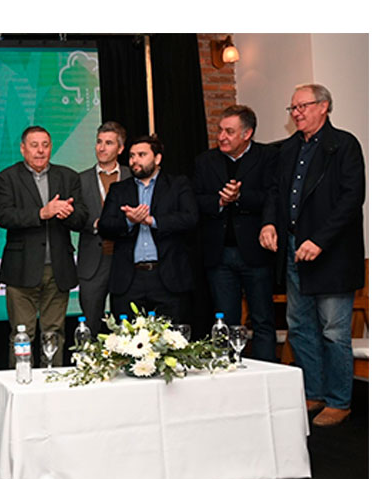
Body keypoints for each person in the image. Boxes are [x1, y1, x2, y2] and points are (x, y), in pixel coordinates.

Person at [259, 84, 366, 426]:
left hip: (331, 252)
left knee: (333, 330)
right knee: (300, 326)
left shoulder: (344, 145)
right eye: (292, 108)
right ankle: (314, 392)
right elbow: (274, 192)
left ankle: (339, 400)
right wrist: (269, 224)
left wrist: (319, 240)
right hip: (293, 250)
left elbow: (352, 199)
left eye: (302, 106)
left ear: (324, 106)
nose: (296, 113)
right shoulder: (288, 148)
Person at [0, 125, 87, 366]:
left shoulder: (68, 176)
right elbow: (4, 216)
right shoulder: (7, 178)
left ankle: (52, 380)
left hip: (58, 270)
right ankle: (21, 381)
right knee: (22, 334)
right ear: (22, 149)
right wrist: (41, 213)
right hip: (21, 270)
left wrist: (67, 213)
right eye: (34, 145)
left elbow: (82, 218)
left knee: (54, 332)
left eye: (45, 145)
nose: (40, 151)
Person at [193, 105, 278, 361]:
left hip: (256, 253)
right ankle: (228, 372)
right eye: (220, 130)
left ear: (247, 134)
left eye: (229, 132)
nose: (222, 137)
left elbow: (273, 197)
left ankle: (265, 372)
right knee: (225, 322)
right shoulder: (205, 161)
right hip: (219, 255)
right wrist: (220, 201)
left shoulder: (268, 157)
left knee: (262, 320)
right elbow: (195, 200)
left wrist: (240, 197)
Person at [99, 135, 198, 323]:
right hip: (129, 279)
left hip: (167, 277)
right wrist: (130, 221)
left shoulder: (177, 184)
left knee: (172, 337)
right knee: (127, 338)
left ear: (157, 158)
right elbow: (105, 226)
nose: (134, 160)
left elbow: (190, 218)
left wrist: (152, 221)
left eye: (141, 155)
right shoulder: (119, 189)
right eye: (132, 156)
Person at [77, 121, 131, 336]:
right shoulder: (80, 179)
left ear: (120, 148)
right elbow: (74, 217)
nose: (101, 147)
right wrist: (95, 224)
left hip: (126, 259)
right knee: (90, 326)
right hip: (92, 262)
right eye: (99, 142)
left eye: (109, 143)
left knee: (128, 326)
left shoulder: (131, 176)